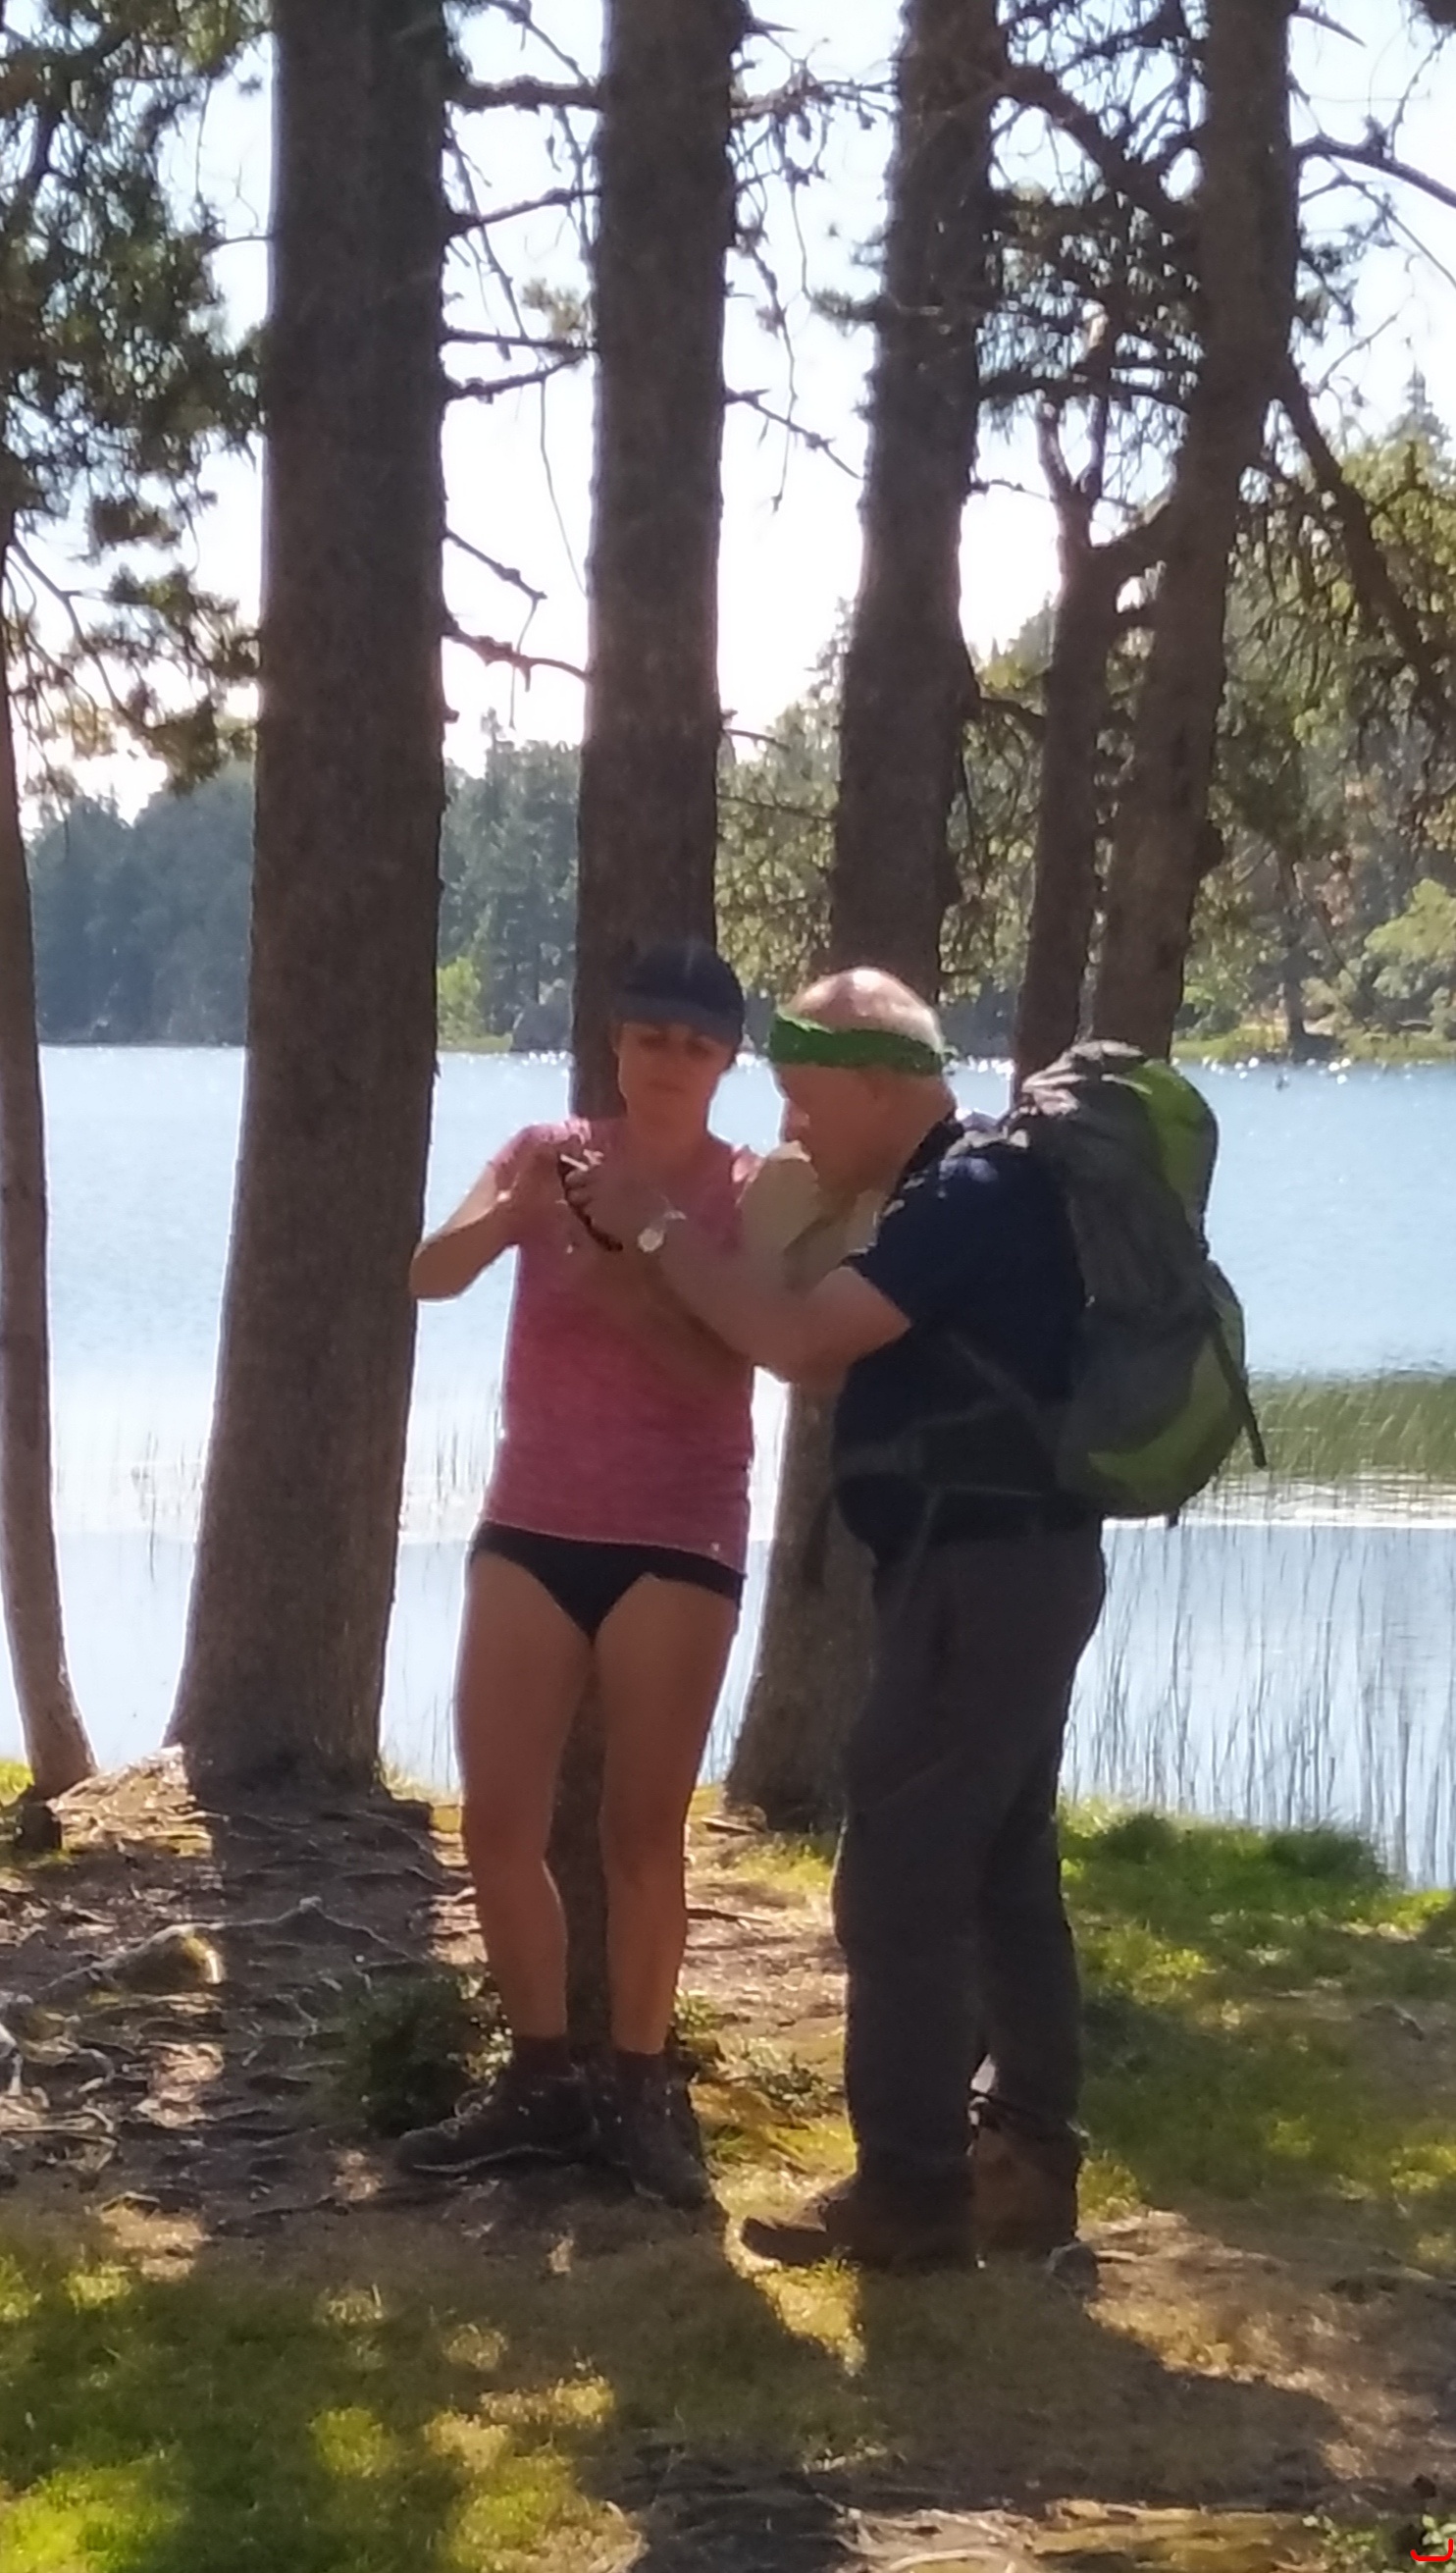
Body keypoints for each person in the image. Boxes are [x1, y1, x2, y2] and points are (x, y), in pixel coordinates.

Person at [566, 968, 1107, 2269]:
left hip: (983, 1579)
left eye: (806, 1100)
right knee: (1002, 1862)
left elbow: (803, 1342)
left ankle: (913, 2194)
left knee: (899, 1877)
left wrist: (656, 1228)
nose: (794, 1129)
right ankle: (1025, 2166)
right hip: (1009, 1569)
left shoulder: (965, 1196)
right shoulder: (957, 1189)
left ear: (879, 1083)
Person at [397, 939, 770, 2210]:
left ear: (726, 1061)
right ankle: (541, 2080)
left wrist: (641, 1243)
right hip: (532, 1520)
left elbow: (737, 1349)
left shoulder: (748, 1186)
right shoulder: (540, 1149)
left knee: (639, 1833)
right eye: (650, 1036)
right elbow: (429, 1273)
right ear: (615, 1041)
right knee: (497, 1821)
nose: (669, 1060)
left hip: (678, 1533)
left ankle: (640, 2091)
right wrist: (512, 1216)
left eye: (696, 1044)